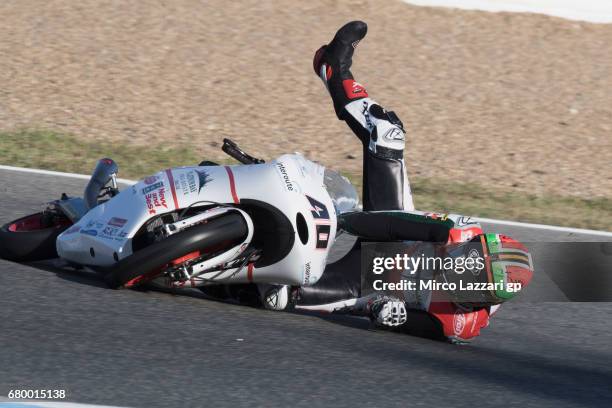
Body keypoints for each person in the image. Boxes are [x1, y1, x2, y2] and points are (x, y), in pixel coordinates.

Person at [205, 21, 534, 343]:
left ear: (486, 299)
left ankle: (199, 271)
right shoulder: (459, 230)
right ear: (473, 245)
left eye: (474, 280)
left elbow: (410, 324)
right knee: (387, 134)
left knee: (276, 296)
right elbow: (395, 225)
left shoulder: (463, 323)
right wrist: (346, 221)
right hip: (396, 241)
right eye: (469, 261)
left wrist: (392, 314)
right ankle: (333, 67)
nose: (463, 271)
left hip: (366, 287)